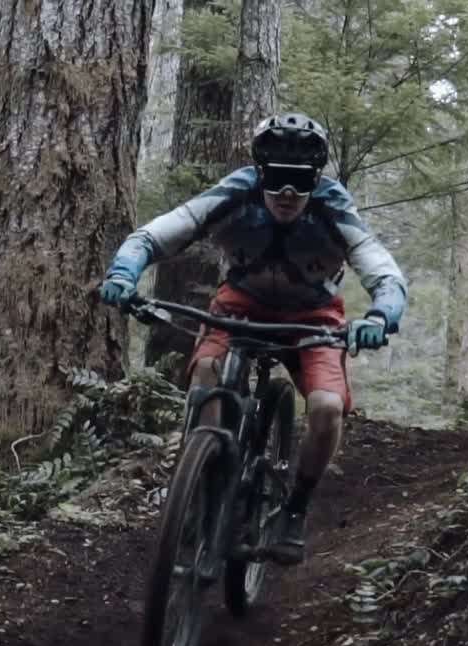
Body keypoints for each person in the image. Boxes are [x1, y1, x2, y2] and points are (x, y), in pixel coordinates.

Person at [98, 112, 407, 565]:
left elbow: (381, 267)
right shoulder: (235, 192)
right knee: (207, 374)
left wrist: (381, 315)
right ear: (261, 172)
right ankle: (203, 477)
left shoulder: (333, 206)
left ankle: (296, 508)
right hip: (239, 308)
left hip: (313, 317)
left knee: (325, 407)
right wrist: (124, 274)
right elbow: (154, 236)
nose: (287, 193)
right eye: (277, 179)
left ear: (316, 178)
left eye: (300, 182)